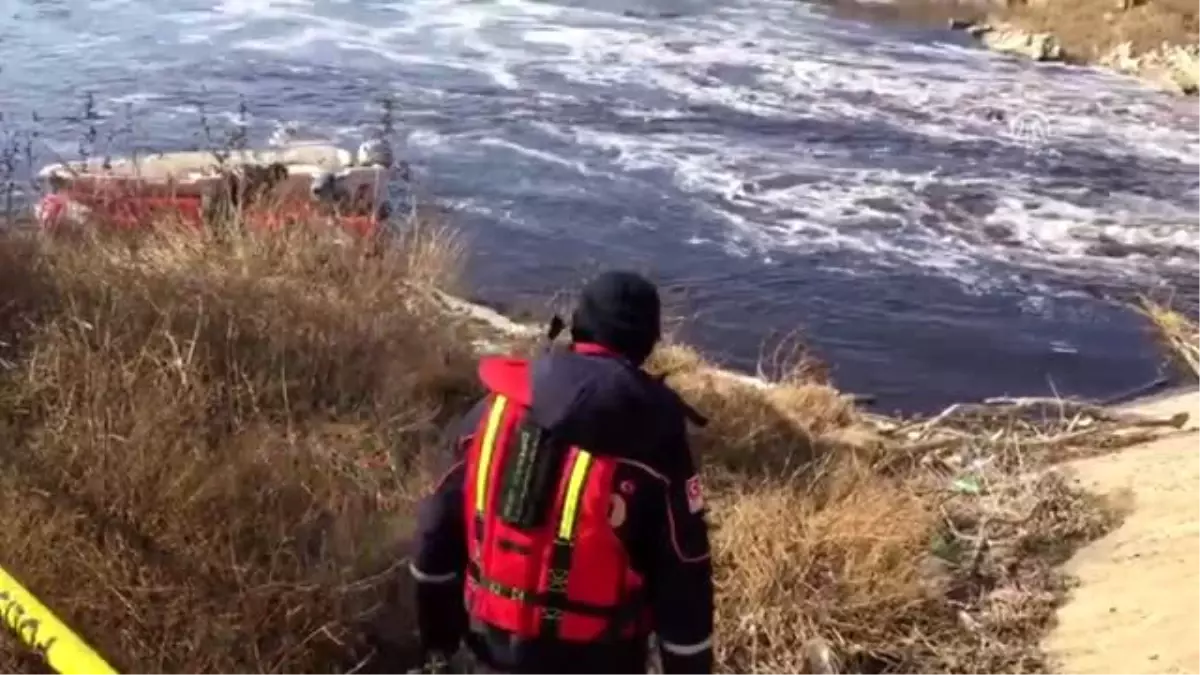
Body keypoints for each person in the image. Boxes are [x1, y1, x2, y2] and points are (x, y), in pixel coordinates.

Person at [409, 270, 714, 675]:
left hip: (487, 649)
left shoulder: (492, 411)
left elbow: (434, 533)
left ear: (577, 326)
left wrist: (438, 642)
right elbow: (685, 576)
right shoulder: (655, 439)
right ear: (648, 343)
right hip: (601, 659)